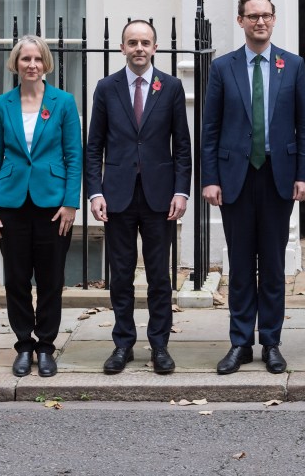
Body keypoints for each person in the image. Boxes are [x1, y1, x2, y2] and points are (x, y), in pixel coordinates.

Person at [201, 0, 305, 375]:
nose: (260, 22)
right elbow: (210, 128)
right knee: (240, 264)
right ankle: (239, 343)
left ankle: (271, 342)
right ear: (241, 21)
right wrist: (210, 179)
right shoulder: (222, 68)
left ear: (274, 19)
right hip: (235, 178)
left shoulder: (293, 65)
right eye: (252, 16)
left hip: (278, 177)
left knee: (272, 264)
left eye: (266, 15)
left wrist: (304, 174)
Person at [86, 19, 191, 375]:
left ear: (156, 47)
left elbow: (183, 147)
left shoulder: (172, 87)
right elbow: (93, 147)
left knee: (160, 276)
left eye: (145, 42)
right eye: (132, 42)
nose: (139, 48)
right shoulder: (106, 88)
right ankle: (123, 344)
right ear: (122, 48)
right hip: (117, 196)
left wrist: (181, 190)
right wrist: (95, 192)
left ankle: (160, 344)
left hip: (160, 197)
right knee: (121, 274)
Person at [0, 35, 82, 378]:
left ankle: (46, 346)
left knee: (51, 278)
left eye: (37, 59)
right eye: (25, 59)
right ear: (16, 63)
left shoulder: (63, 102)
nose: (32, 64)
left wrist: (71, 203)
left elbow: (74, 156)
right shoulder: (2, 104)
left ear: (46, 63)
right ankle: (24, 345)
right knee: (16, 278)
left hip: (53, 204)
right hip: (10, 204)